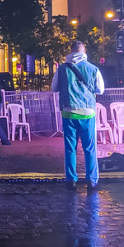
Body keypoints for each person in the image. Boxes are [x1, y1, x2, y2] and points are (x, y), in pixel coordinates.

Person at [51, 41, 105, 190]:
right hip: (87, 112)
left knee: (70, 148)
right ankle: (92, 180)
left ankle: (71, 180)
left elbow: (53, 88)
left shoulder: (61, 69)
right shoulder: (93, 69)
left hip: (68, 112)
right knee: (90, 148)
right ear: (83, 51)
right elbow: (100, 90)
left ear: (71, 51)